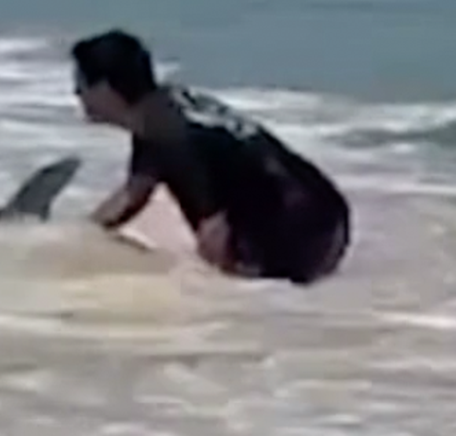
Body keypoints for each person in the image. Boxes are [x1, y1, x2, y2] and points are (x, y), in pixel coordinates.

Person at [69, 28, 350, 285]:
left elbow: (213, 232)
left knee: (219, 280)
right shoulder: (162, 110)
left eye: (81, 82)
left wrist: (213, 311)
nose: (76, 92)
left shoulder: (167, 133)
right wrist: (75, 235)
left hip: (297, 227)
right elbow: (132, 196)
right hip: (327, 215)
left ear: (104, 88)